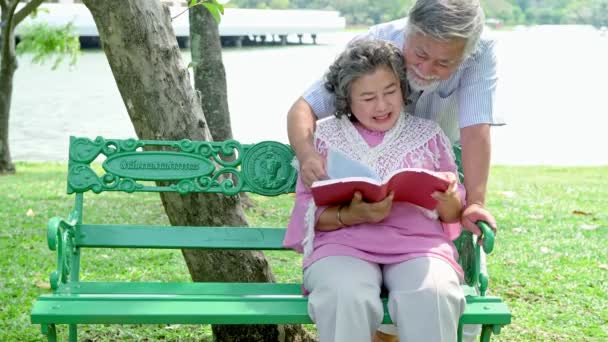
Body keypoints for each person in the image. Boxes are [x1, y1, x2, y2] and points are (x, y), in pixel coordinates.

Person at [287, 2, 502, 338]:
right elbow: (305, 107)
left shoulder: (433, 132)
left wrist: (471, 201)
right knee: (346, 294)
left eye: (444, 63)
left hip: (418, 239)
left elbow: (476, 129)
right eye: (420, 55)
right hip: (345, 244)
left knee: (433, 293)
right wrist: (308, 156)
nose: (428, 69)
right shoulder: (371, 52)